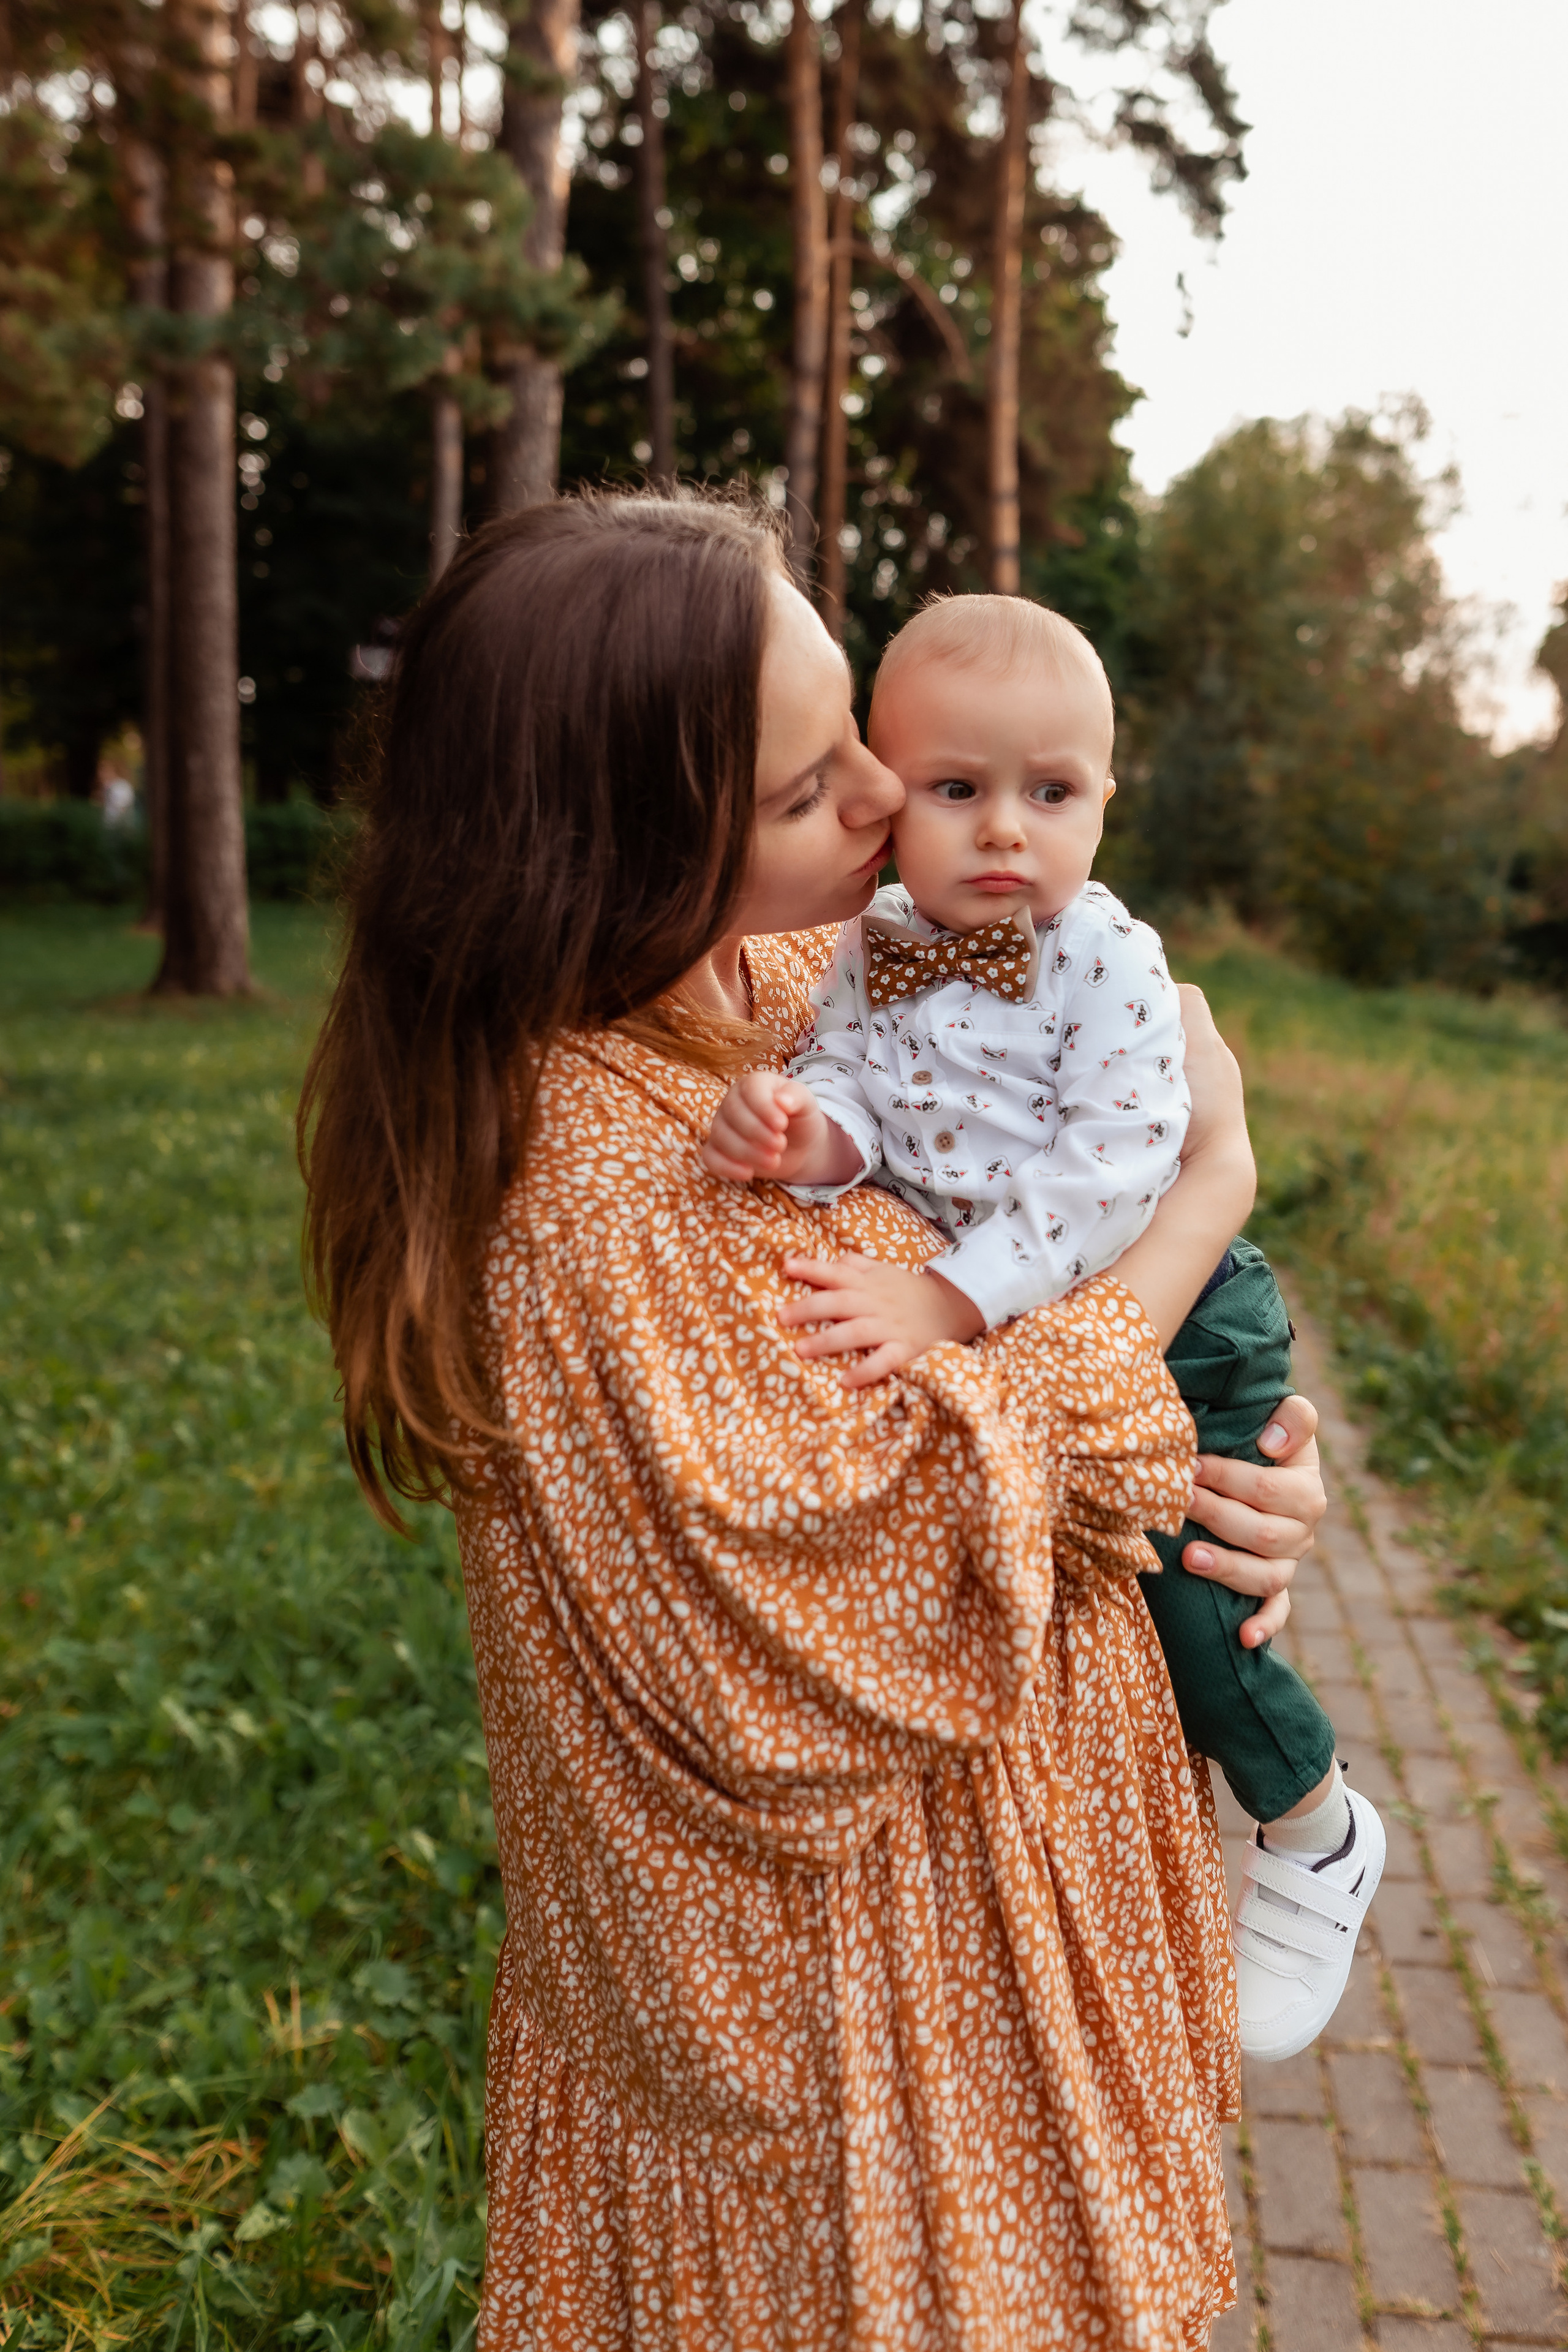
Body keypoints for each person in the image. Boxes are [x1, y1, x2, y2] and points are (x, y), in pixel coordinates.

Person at [300, 488, 1328, 2351]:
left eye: (852, 727)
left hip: (994, 1997)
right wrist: (1206, 1206)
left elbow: (1102, 1076)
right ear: (612, 863)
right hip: (868, 2084)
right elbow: (867, 1605)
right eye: (803, 791)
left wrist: (1228, 1462)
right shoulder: (603, 1195)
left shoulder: (773, 973)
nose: (882, 795)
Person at [704, 593, 1381, 2064]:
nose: (1005, 830)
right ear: (888, 795)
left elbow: (1115, 1172)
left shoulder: (1109, 961)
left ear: (1103, 799)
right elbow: (856, 1087)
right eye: (956, 789)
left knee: (1187, 1589)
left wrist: (948, 1300)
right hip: (1046, 1296)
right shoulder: (868, 946)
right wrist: (802, 1136)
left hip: (1176, 1303)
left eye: (1051, 793)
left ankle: (1311, 1820)